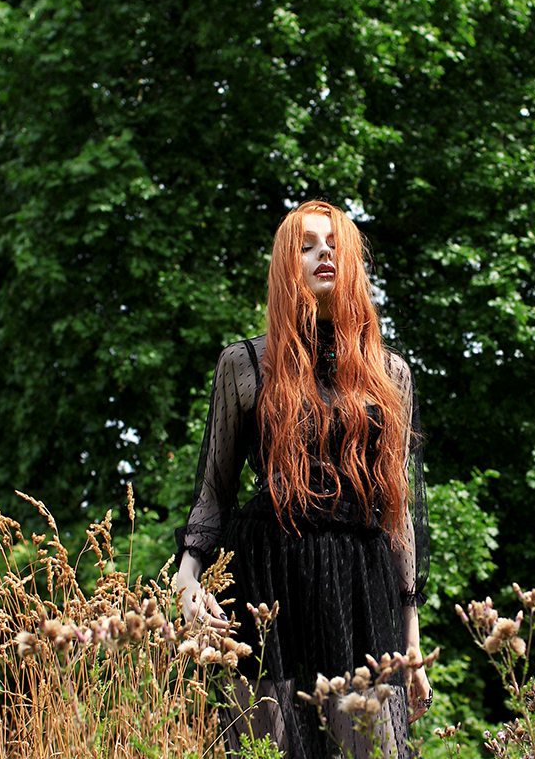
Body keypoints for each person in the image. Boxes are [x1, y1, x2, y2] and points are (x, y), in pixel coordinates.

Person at [175, 200, 432, 759]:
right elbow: (214, 491)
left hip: (360, 585)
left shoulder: (391, 375)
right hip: (268, 579)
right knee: (269, 747)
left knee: (372, 748)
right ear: (285, 266)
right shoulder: (243, 365)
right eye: (308, 245)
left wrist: (411, 641)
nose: (324, 254)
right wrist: (188, 574)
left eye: (334, 243)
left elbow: (398, 511)